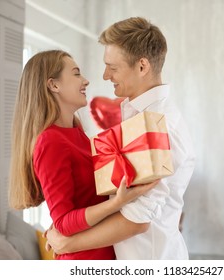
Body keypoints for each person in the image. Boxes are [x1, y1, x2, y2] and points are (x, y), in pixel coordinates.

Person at [45, 17, 195, 259]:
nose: (105, 76)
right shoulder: (137, 116)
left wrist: (67, 244)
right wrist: (66, 226)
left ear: (142, 67)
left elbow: (138, 220)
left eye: (113, 68)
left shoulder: (161, 125)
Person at [8, 50, 159, 260]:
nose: (86, 81)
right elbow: (63, 222)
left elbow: (79, 205)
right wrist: (116, 203)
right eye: (76, 73)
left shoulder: (77, 133)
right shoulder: (49, 141)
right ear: (54, 85)